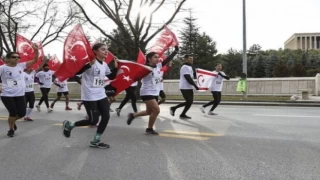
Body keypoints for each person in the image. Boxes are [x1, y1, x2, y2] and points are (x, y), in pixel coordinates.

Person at [62, 43, 114, 149]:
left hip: (101, 93)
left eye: (107, 50)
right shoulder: (89, 63)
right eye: (103, 49)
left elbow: (110, 75)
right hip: (89, 96)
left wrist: (118, 68)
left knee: (106, 116)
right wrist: (89, 65)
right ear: (95, 51)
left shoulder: (104, 64)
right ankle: (70, 125)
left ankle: (96, 140)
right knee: (93, 120)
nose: (106, 51)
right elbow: (76, 73)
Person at [126, 46, 179, 135]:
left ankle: (133, 115)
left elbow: (166, 60)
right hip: (146, 92)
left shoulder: (158, 66)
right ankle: (149, 129)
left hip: (155, 92)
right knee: (156, 110)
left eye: (158, 57)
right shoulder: (145, 68)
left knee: (149, 112)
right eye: (155, 57)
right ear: (149, 59)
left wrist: (175, 51)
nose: (158, 59)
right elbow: (137, 76)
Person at [0, 44, 39, 137]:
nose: (17, 59)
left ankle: (12, 121)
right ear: (8, 59)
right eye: (14, 57)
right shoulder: (2, 68)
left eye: (18, 57)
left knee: (22, 113)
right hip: (7, 94)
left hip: (20, 94)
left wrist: (36, 51)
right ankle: (11, 129)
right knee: (13, 112)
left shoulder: (21, 66)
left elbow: (35, 60)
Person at [169, 54, 199, 119]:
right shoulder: (185, 67)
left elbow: (192, 76)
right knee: (188, 101)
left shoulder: (190, 67)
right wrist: (195, 85)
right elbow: (187, 78)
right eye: (190, 58)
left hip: (189, 87)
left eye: (192, 59)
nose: (191, 60)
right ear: (185, 59)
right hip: (184, 87)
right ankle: (173, 108)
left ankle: (183, 114)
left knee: (190, 102)